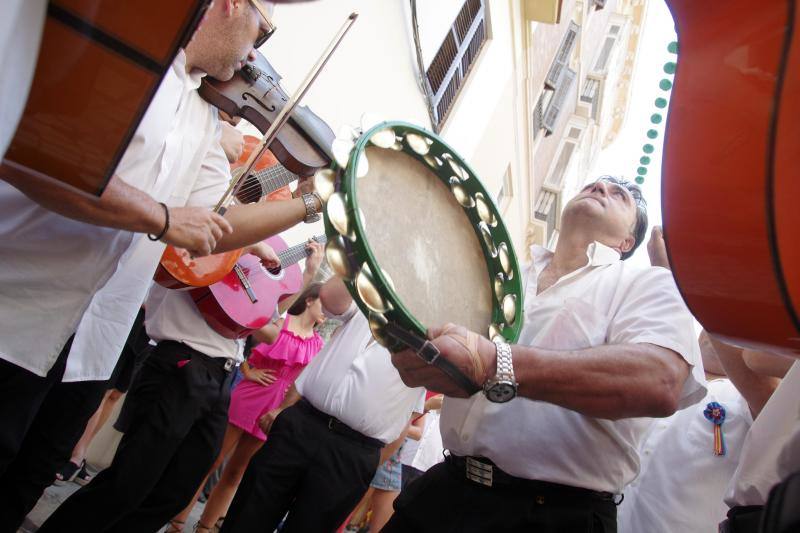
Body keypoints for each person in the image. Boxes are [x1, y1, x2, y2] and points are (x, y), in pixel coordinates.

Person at [0, 1, 324, 530]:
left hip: (95, 338)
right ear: (227, 5)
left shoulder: (204, 115)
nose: (254, 57)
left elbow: (213, 231)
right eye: (260, 33)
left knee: (29, 477)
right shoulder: (122, 57)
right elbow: (40, 158)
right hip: (17, 309)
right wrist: (161, 216)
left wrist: (310, 204)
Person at [387, 176, 706, 532]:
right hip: (444, 490)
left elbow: (659, 381)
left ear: (627, 241)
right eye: (595, 184)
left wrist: (497, 363)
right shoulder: (502, 278)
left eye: (619, 195)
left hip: (551, 516)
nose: (601, 188)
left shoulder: (645, 284)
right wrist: (424, 360)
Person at [36, 242, 321, 533]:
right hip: (180, 362)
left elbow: (268, 322)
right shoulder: (218, 231)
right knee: (128, 483)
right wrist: (250, 245)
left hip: (221, 374)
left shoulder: (252, 256)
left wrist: (307, 275)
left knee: (175, 492)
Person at [219, 275, 426, 533]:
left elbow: (406, 421)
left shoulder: (431, 338)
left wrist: (367, 460)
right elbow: (329, 298)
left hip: (353, 451)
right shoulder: (371, 294)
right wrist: (363, 257)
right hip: (302, 423)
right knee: (248, 514)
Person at [171, 280, 326, 532]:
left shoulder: (317, 344)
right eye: (323, 303)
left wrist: (286, 407)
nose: (326, 311)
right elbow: (243, 339)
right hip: (249, 395)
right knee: (211, 459)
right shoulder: (281, 323)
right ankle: (177, 521)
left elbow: (306, 381)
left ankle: (204, 527)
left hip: (276, 408)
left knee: (237, 472)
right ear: (309, 300)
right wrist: (247, 371)